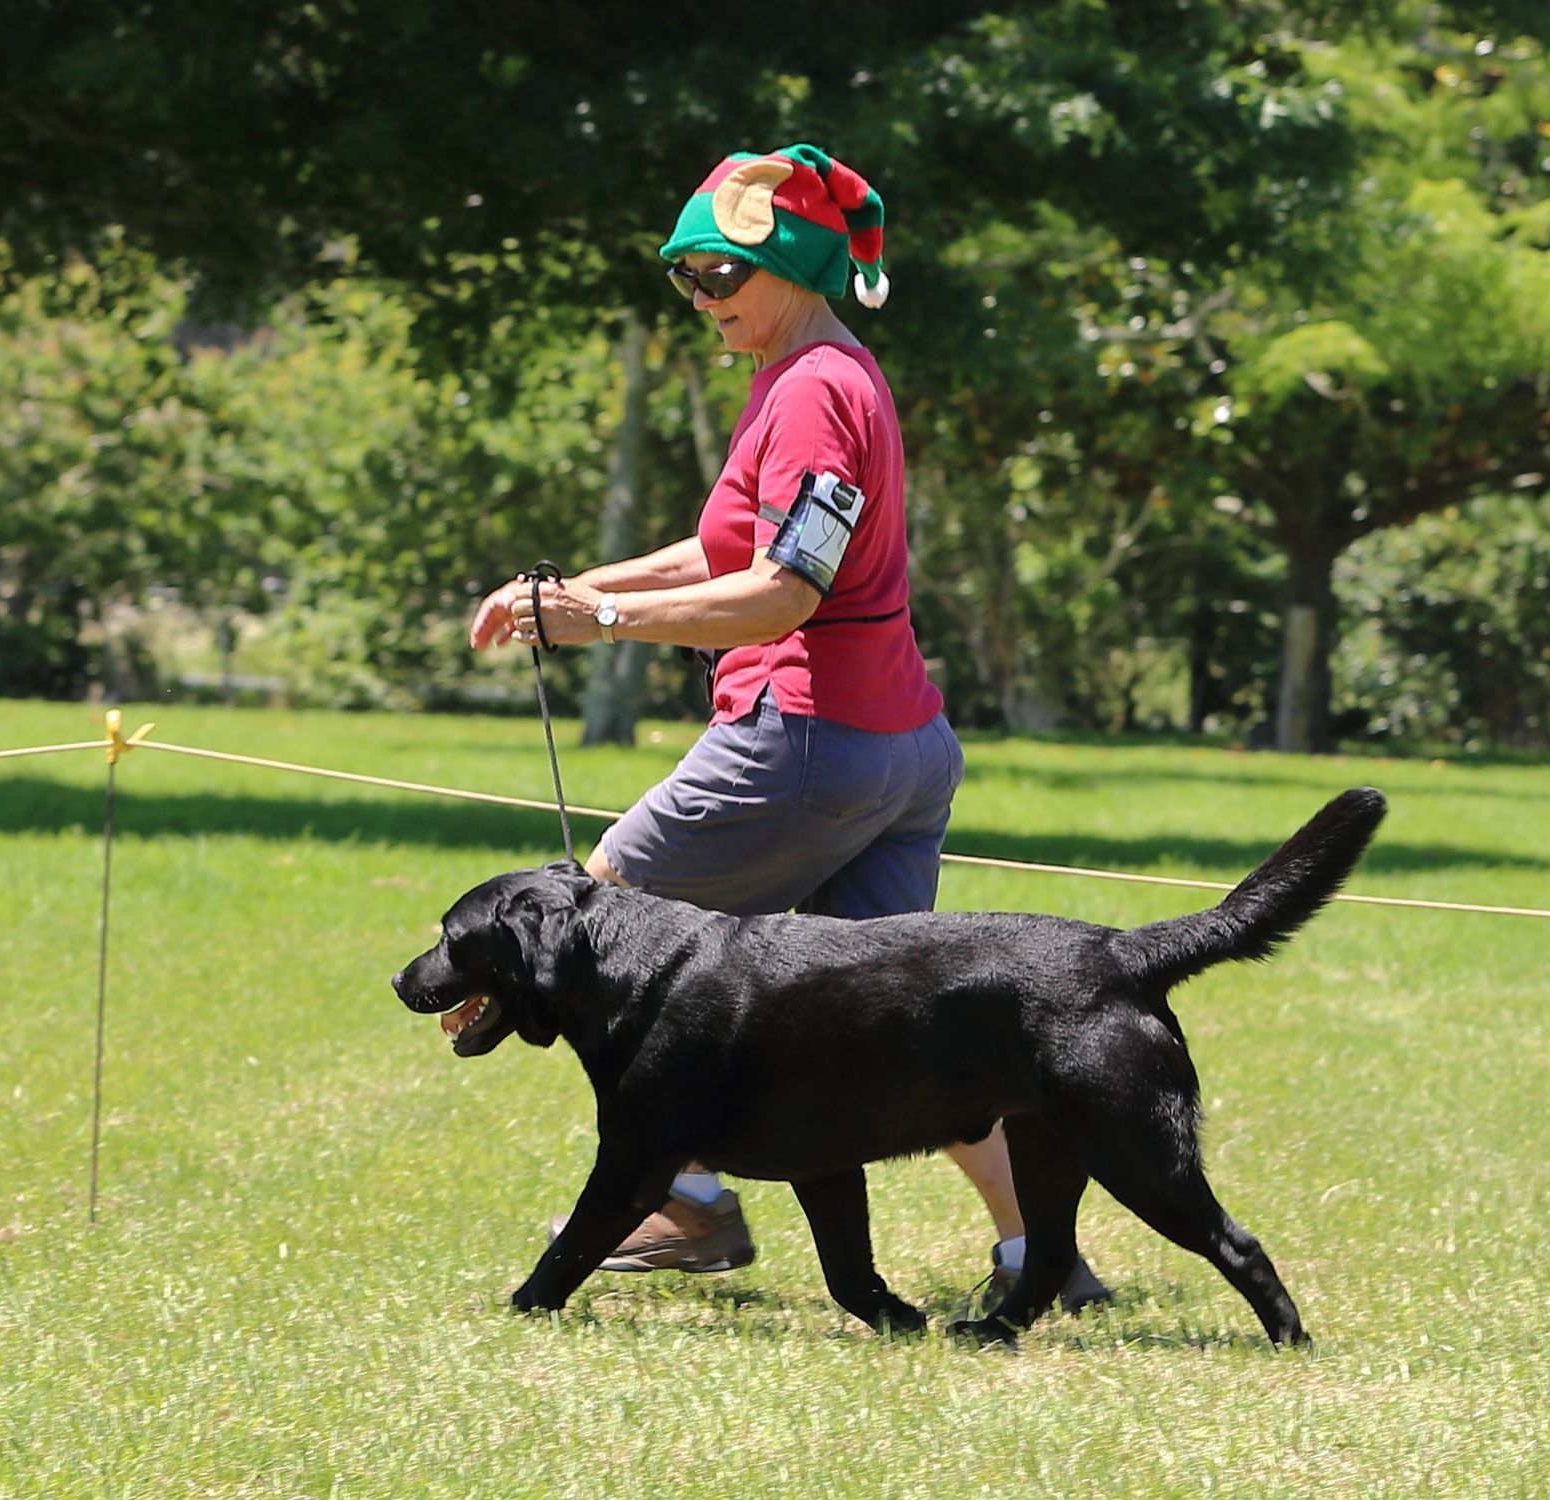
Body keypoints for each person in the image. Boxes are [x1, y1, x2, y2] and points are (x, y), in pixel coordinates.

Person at [470, 143, 1108, 1313]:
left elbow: (784, 592)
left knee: (593, 928)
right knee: (905, 1028)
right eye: (686, 277)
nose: (702, 300)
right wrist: (557, 597)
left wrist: (598, 618)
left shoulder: (813, 391)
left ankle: (689, 1197)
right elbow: (726, 549)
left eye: (722, 276)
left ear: (796, 267)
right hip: (899, 747)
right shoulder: (813, 370)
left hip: (803, 738)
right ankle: (1041, 1254)